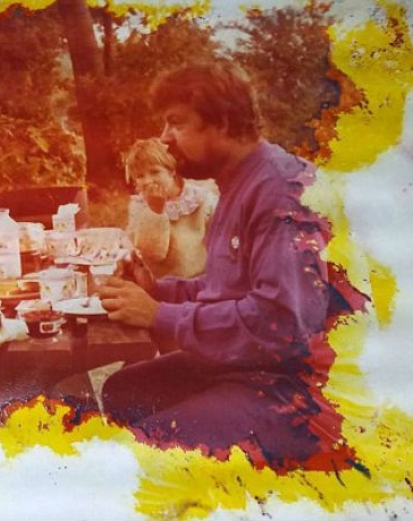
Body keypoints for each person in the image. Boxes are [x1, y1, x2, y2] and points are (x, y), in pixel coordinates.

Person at [99, 62, 355, 470]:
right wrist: (158, 290)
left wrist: (161, 315)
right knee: (123, 389)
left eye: (176, 123)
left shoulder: (280, 193)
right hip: (248, 367)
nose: (164, 138)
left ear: (221, 122)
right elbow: (231, 289)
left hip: (295, 391)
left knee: (133, 458)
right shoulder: (236, 184)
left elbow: (282, 325)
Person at [123, 137, 218, 278]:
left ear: (172, 171)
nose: (148, 181)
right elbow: (150, 253)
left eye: (155, 172)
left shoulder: (201, 200)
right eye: (140, 176)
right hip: (156, 283)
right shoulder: (139, 205)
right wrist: (155, 211)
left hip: (198, 281)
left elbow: (222, 245)